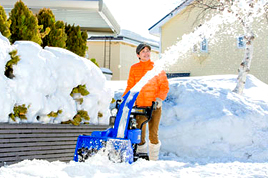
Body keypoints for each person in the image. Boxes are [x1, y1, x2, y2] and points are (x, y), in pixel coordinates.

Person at [122, 43, 169, 161]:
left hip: (155, 106)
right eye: (143, 51)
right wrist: (124, 99)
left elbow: (164, 86)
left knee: (153, 134)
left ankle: (153, 159)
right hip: (140, 107)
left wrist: (159, 98)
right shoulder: (134, 68)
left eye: (148, 51)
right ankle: (142, 158)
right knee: (140, 135)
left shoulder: (156, 67)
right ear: (138, 55)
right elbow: (130, 86)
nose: (146, 53)